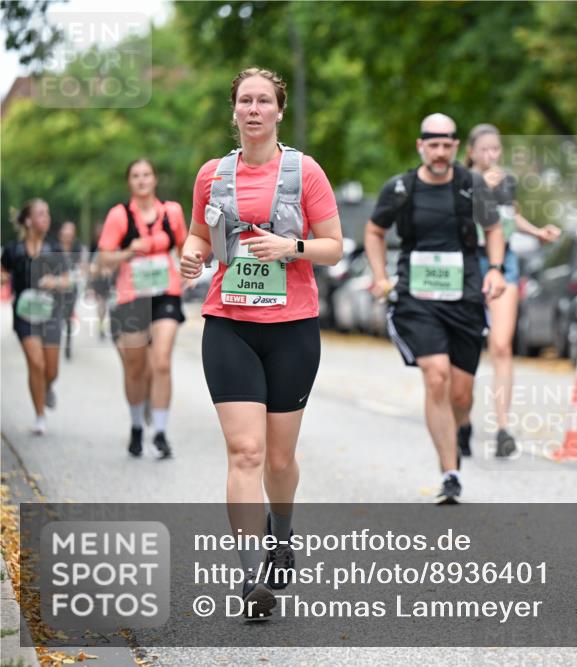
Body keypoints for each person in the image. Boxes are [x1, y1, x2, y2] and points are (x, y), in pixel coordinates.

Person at [180, 67, 342, 620]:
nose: (253, 109)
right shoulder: (211, 175)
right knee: (245, 452)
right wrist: (191, 254)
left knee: (278, 458)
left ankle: (282, 530)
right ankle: (250, 576)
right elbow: (200, 235)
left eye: (263, 101)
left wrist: (292, 245)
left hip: (293, 327)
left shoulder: (305, 172)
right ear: (234, 111)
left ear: (277, 110)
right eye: (244, 100)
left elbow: (335, 247)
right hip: (229, 323)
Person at [365, 113, 506, 505]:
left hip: (465, 297)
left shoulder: (471, 186)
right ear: (420, 145)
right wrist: (380, 276)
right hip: (417, 297)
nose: (440, 152)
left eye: (447, 145)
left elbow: (493, 230)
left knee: (461, 393)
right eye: (433, 144)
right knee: (437, 377)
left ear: (456, 147)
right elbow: (375, 232)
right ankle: (450, 473)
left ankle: (462, 422)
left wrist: (495, 270)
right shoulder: (399, 189)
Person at [464, 124, 561, 458]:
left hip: (504, 263)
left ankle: (503, 427)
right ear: (471, 151)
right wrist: (478, 191)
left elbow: (511, 218)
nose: (491, 155)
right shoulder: (460, 181)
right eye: (485, 149)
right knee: (466, 347)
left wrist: (538, 233)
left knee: (501, 345)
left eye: (496, 149)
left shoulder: (506, 182)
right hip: (467, 265)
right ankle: (462, 420)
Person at [98, 158, 188, 459]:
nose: (141, 180)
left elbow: (184, 248)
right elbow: (104, 259)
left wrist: (188, 272)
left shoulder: (171, 212)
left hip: (166, 293)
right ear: (129, 183)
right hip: (131, 296)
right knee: (135, 367)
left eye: (146, 174)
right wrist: (127, 251)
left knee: (161, 361)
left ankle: (160, 433)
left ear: (155, 179)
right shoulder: (119, 215)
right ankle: (137, 425)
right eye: (135, 176)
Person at [1, 199, 71, 435]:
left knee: (51, 371)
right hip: (24, 314)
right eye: (41, 213)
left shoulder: (55, 248)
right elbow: (2, 272)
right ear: (28, 220)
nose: (46, 217)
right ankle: (40, 415)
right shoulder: (14, 250)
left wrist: (56, 282)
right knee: (36, 363)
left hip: (51, 313)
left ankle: (47, 386)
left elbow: (67, 280)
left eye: (47, 213)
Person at [57, 221, 85, 360]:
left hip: (72, 287)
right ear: (61, 232)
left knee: (68, 316)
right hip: (56, 287)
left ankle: (68, 344)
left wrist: (78, 273)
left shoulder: (77, 247)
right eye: (66, 230)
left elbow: (81, 266)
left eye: (71, 230)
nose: (68, 233)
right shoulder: (54, 247)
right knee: (58, 314)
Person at [87, 222, 114, 340]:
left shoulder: (111, 244)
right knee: (101, 303)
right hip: (98, 279)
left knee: (109, 304)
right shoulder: (93, 246)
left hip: (109, 279)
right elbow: (90, 264)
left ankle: (106, 325)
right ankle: (102, 325)